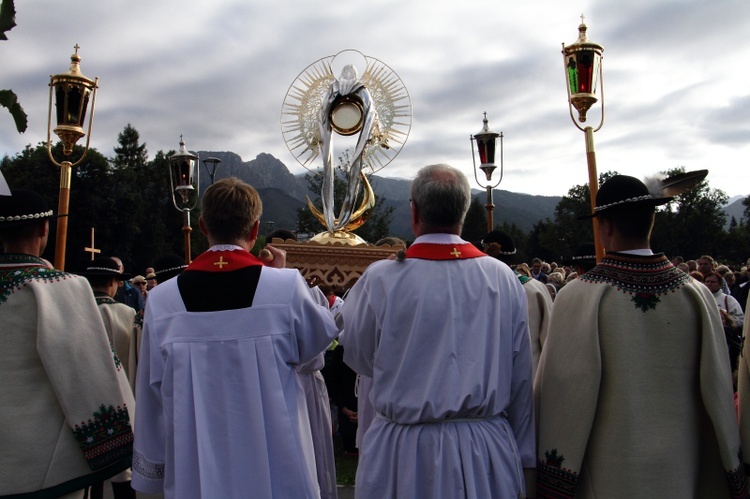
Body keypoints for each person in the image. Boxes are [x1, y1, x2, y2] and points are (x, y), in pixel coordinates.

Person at [535, 175, 746, 498]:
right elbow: (718, 387)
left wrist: (552, 478)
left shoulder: (579, 296)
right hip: (685, 471)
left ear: (603, 226)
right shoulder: (697, 293)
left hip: (609, 473)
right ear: (653, 220)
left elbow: (563, 396)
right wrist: (732, 469)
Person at [131, 178, 338, 498]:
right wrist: (285, 277)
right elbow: (315, 350)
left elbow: (152, 393)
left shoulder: (162, 301)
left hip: (196, 471)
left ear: (202, 226)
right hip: (275, 465)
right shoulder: (285, 287)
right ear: (256, 230)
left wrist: (152, 471)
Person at [340, 164, 535, 498]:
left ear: (414, 212)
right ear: (464, 212)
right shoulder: (502, 278)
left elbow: (359, 356)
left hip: (403, 454)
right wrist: (526, 460)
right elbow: (520, 378)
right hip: (483, 451)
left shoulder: (381, 279)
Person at [0, 189, 135, 498]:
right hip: (42, 467)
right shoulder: (61, 288)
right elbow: (91, 374)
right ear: (44, 229)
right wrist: (116, 456)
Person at [82, 255, 140, 499]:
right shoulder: (128, 314)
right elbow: (137, 359)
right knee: (122, 470)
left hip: (84, 401)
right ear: (114, 282)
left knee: (88, 470)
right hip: (122, 399)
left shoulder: (76, 313)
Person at [482, 229, 552, 378]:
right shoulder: (535, 289)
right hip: (528, 376)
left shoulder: (472, 288)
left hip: (484, 381)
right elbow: (549, 340)